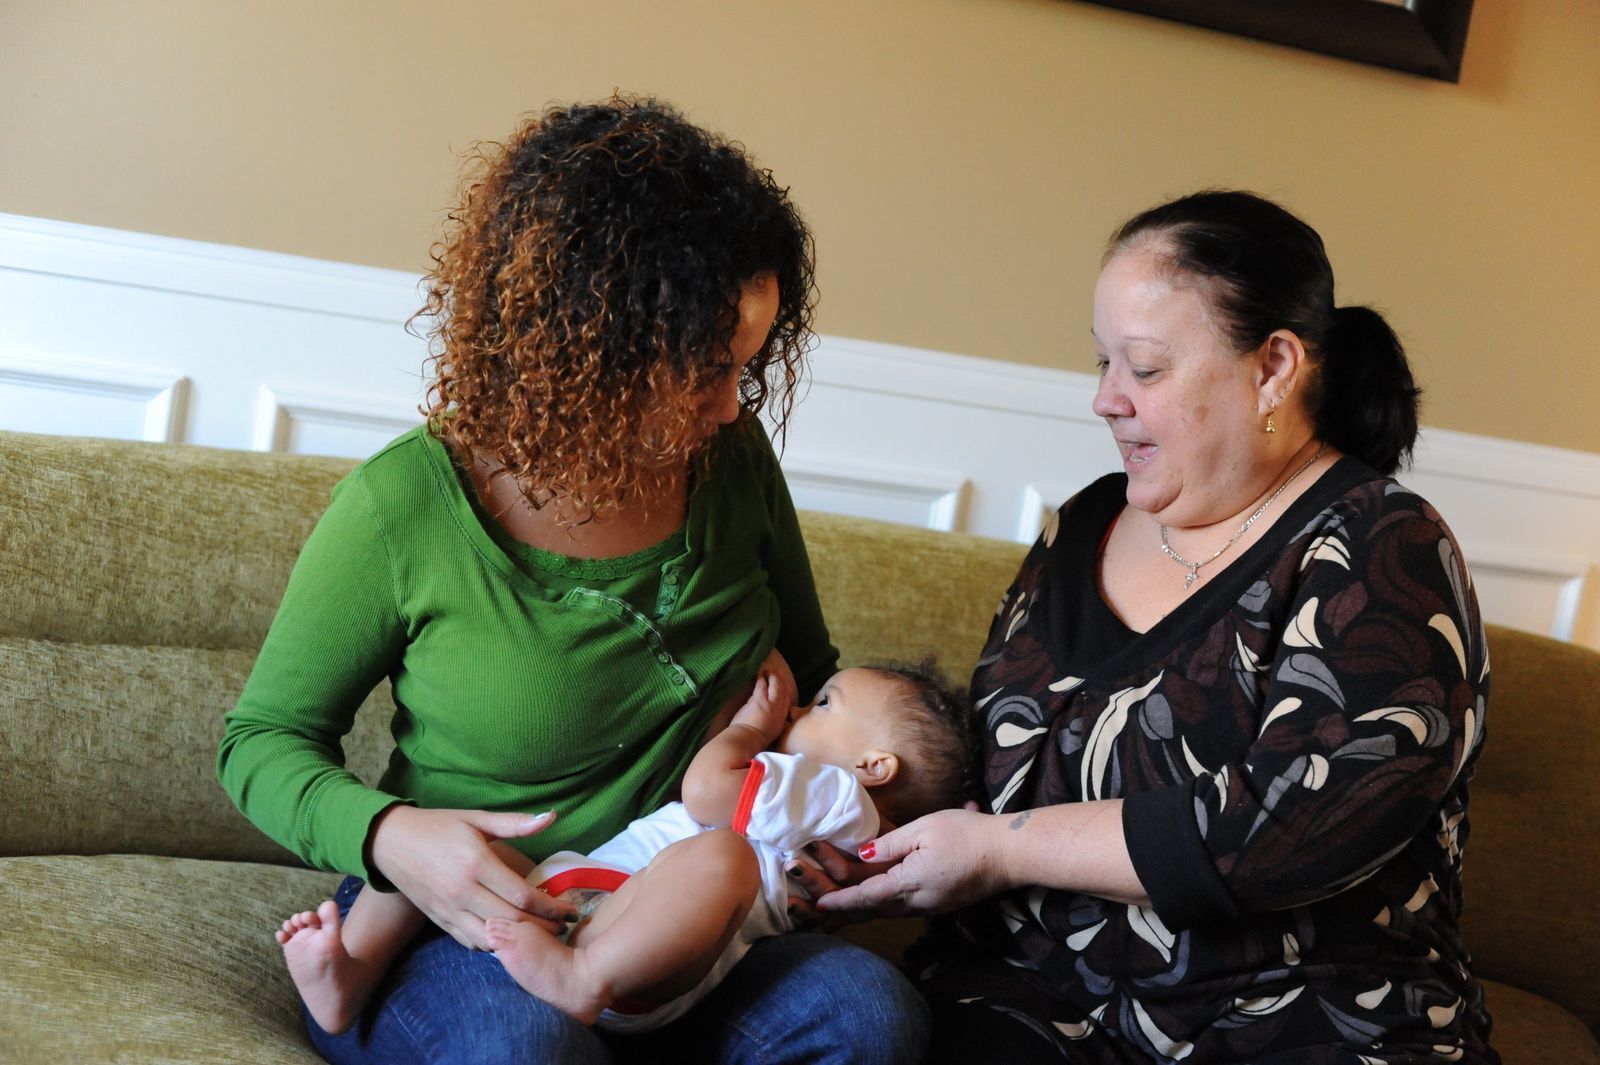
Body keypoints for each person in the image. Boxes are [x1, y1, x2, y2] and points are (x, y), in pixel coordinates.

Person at [217, 95, 930, 1065]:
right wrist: (393, 839)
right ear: (586, 346)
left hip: (679, 915)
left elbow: (809, 673)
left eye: (748, 372)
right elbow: (261, 744)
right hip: (474, 925)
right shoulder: (409, 508)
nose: (732, 407)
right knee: (527, 1049)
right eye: (705, 371)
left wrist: (826, 828)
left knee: (869, 1013)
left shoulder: (732, 461)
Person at [809, 190, 1499, 1064]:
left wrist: (995, 849)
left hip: (1298, 1027)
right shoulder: (1083, 525)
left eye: (1143, 367)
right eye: (1101, 363)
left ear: (1274, 368)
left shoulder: (1382, 542)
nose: (1105, 399)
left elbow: (1290, 827)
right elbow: (991, 769)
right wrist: (865, 841)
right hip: (1025, 1008)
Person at [275, 656, 972, 1036]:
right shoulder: (822, 797)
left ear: (874, 767)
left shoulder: (834, 794)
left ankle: (583, 980)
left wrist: (751, 727)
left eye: (822, 703)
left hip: (633, 949)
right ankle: (345, 983)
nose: (795, 708)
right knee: (441, 844)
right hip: (591, 892)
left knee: (723, 854)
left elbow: (707, 792)